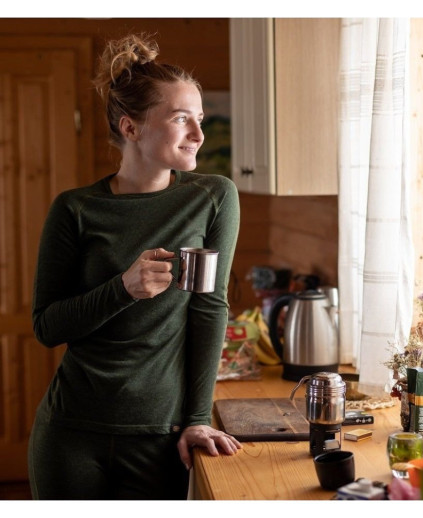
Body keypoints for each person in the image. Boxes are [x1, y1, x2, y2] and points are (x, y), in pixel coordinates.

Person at [28, 33, 241, 500]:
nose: (198, 134)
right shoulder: (75, 209)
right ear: (131, 127)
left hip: (160, 439)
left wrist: (197, 419)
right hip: (70, 434)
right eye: (181, 118)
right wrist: (122, 289)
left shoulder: (212, 197)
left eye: (200, 119)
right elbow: (47, 326)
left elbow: (209, 309)